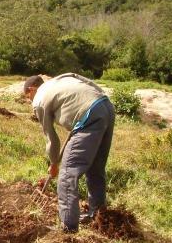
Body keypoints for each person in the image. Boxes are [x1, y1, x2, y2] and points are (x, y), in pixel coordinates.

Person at [23, 73, 115, 232]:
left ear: (31, 90)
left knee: (67, 174)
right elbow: (81, 78)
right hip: (105, 106)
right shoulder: (59, 80)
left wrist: (54, 163)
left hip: (88, 115)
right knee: (95, 169)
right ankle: (98, 216)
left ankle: (68, 227)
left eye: (27, 97)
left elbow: (51, 137)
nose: (29, 100)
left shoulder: (39, 99)